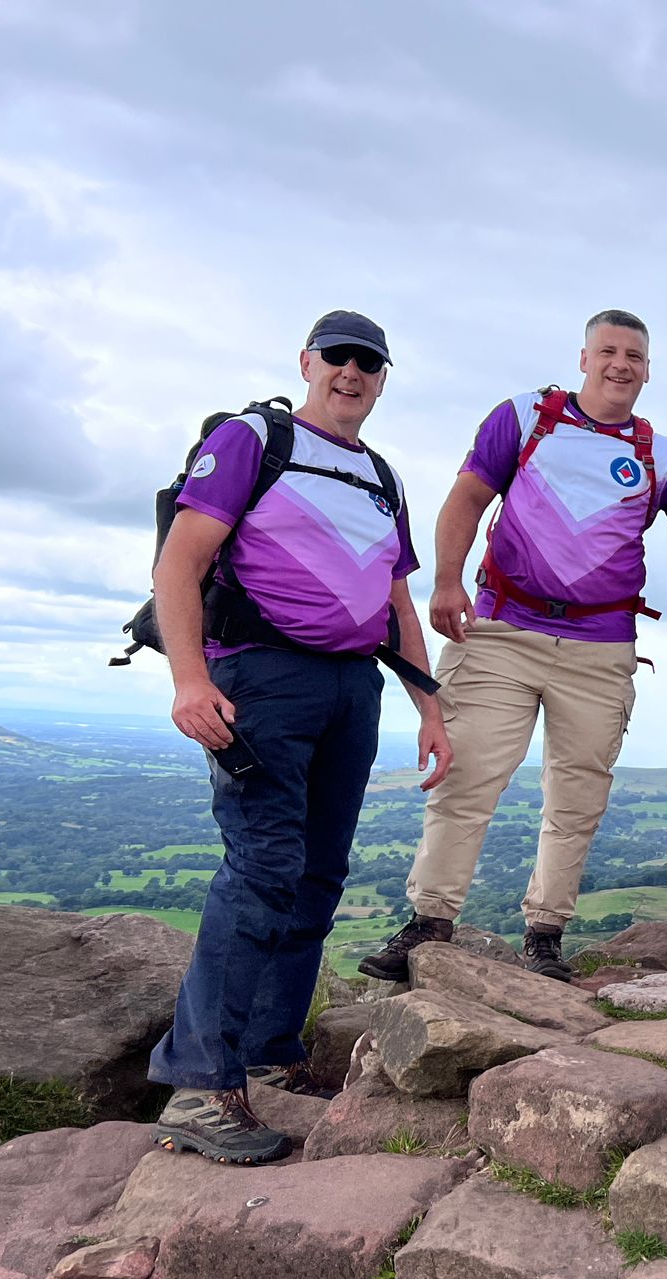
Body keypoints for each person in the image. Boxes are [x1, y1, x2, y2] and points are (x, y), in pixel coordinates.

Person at [362, 310, 667, 983]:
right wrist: (447, 582)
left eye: (634, 356)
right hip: (505, 629)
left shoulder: (662, 455)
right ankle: (430, 921)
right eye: (609, 351)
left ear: (649, 370)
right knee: (468, 775)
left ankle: (546, 933)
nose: (621, 364)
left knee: (578, 797)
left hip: (600, 646)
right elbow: (467, 499)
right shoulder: (526, 417)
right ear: (584, 357)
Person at [148, 310, 449, 1164]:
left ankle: (269, 1054)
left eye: (370, 363)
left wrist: (430, 706)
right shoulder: (256, 440)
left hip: (353, 686)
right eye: (339, 358)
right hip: (261, 678)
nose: (352, 373)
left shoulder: (380, 475)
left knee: (317, 871)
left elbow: (395, 603)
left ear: (383, 379)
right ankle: (202, 1085)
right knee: (264, 864)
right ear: (308, 363)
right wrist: (188, 678)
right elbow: (181, 562)